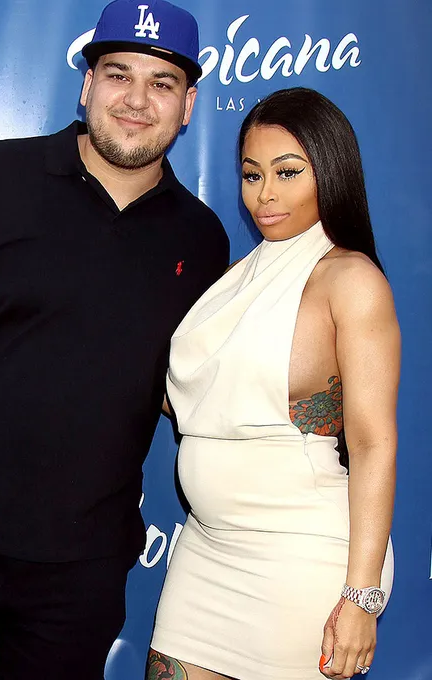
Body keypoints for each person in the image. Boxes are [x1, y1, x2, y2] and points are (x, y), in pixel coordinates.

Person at [0, 1, 229, 678]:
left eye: (162, 83)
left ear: (188, 106)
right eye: (119, 74)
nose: (137, 101)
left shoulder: (202, 239)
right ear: (87, 84)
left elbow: (185, 387)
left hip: (83, 563)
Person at [147, 87, 400, 680]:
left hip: (302, 560)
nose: (265, 194)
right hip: (205, 550)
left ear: (330, 170)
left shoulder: (350, 279)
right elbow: (194, 401)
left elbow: (372, 443)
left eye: (287, 173)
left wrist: (362, 597)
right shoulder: (235, 279)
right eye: (252, 174)